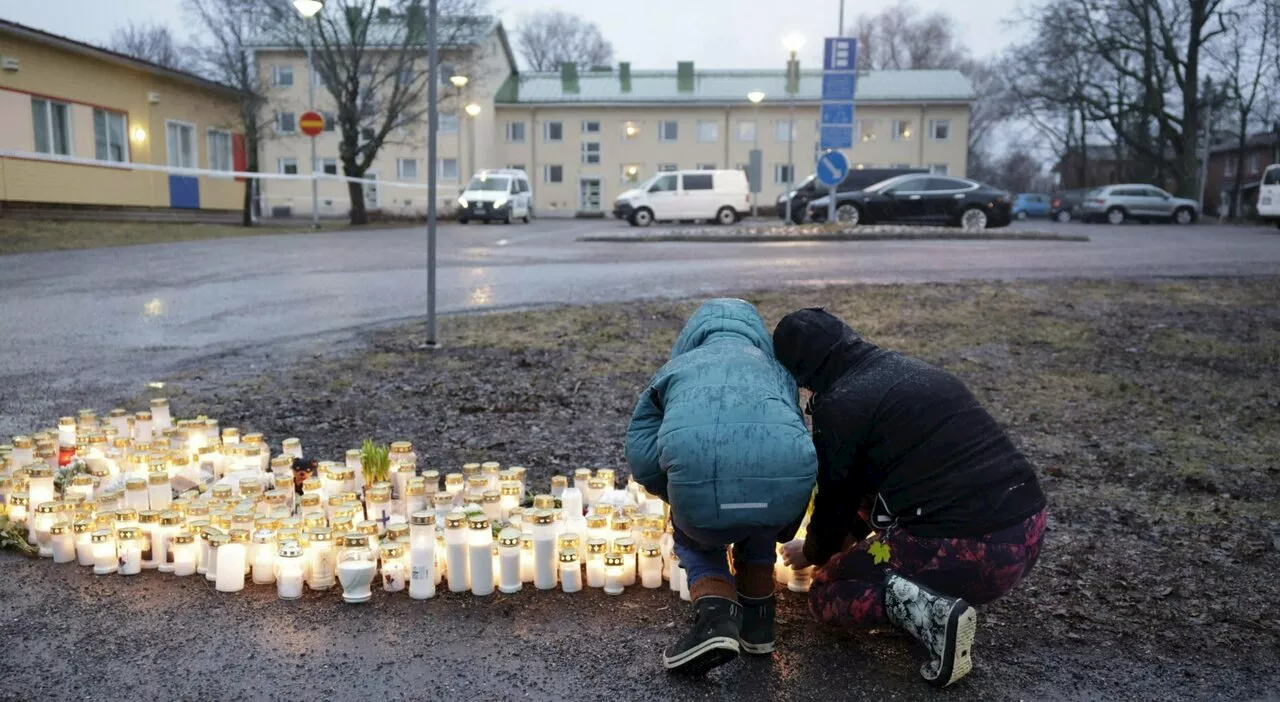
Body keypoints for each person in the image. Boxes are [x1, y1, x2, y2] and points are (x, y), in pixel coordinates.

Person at [772, 307, 1047, 688]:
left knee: (827, 593)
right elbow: (861, 497)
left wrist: (816, 552)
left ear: (801, 374)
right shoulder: (904, 370)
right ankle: (924, 595)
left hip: (971, 549)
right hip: (1028, 529)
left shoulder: (841, 403)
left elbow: (836, 500)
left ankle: (931, 615)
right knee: (869, 526)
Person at [626, 299, 817, 675]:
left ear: (692, 335)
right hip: (780, 499)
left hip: (702, 497)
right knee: (757, 514)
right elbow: (792, 439)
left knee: (695, 535)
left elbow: (642, 454)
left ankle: (716, 618)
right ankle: (759, 624)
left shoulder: (674, 370)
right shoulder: (779, 372)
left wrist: (675, 494)